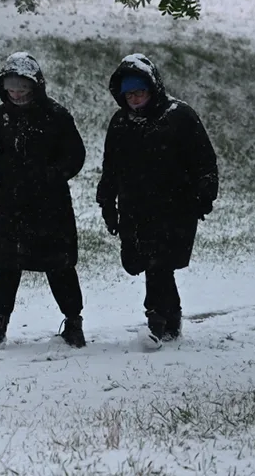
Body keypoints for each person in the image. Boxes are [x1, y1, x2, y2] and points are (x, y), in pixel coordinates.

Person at [96, 53, 219, 342]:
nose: (135, 99)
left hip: (175, 205)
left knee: (159, 263)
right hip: (134, 206)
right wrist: (107, 204)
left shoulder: (179, 116)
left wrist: (204, 193)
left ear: (152, 89)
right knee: (148, 263)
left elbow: (204, 160)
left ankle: (158, 319)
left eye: (140, 92)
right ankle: (168, 316)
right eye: (129, 95)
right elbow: (111, 166)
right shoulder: (120, 123)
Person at [0, 52, 87, 349]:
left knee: (60, 266)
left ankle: (73, 322)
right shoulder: (0, 117)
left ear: (35, 85)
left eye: (23, 87)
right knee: (8, 266)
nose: (17, 93)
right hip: (12, 204)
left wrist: (50, 176)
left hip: (52, 206)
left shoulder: (57, 115)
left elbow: (75, 155)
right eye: (11, 86)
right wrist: (5, 174)